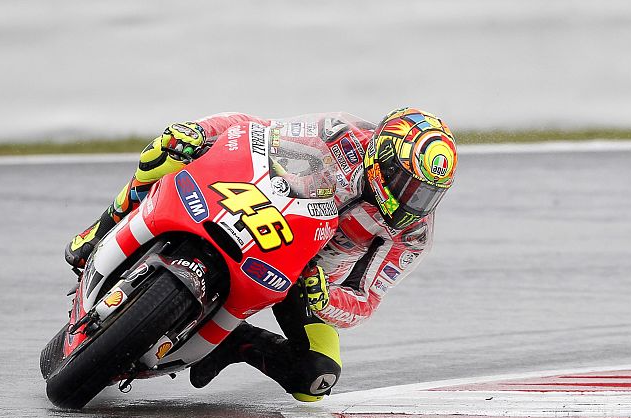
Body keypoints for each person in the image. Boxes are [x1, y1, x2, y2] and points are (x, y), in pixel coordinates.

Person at [65, 108, 457, 402]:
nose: (414, 201)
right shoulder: (341, 135)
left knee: (316, 378)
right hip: (264, 215)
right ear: (381, 158)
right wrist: (201, 132)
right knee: (167, 149)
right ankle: (99, 230)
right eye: (407, 185)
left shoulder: (413, 234)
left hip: (305, 278)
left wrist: (327, 298)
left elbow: (365, 299)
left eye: (426, 194)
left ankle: (233, 343)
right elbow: (253, 130)